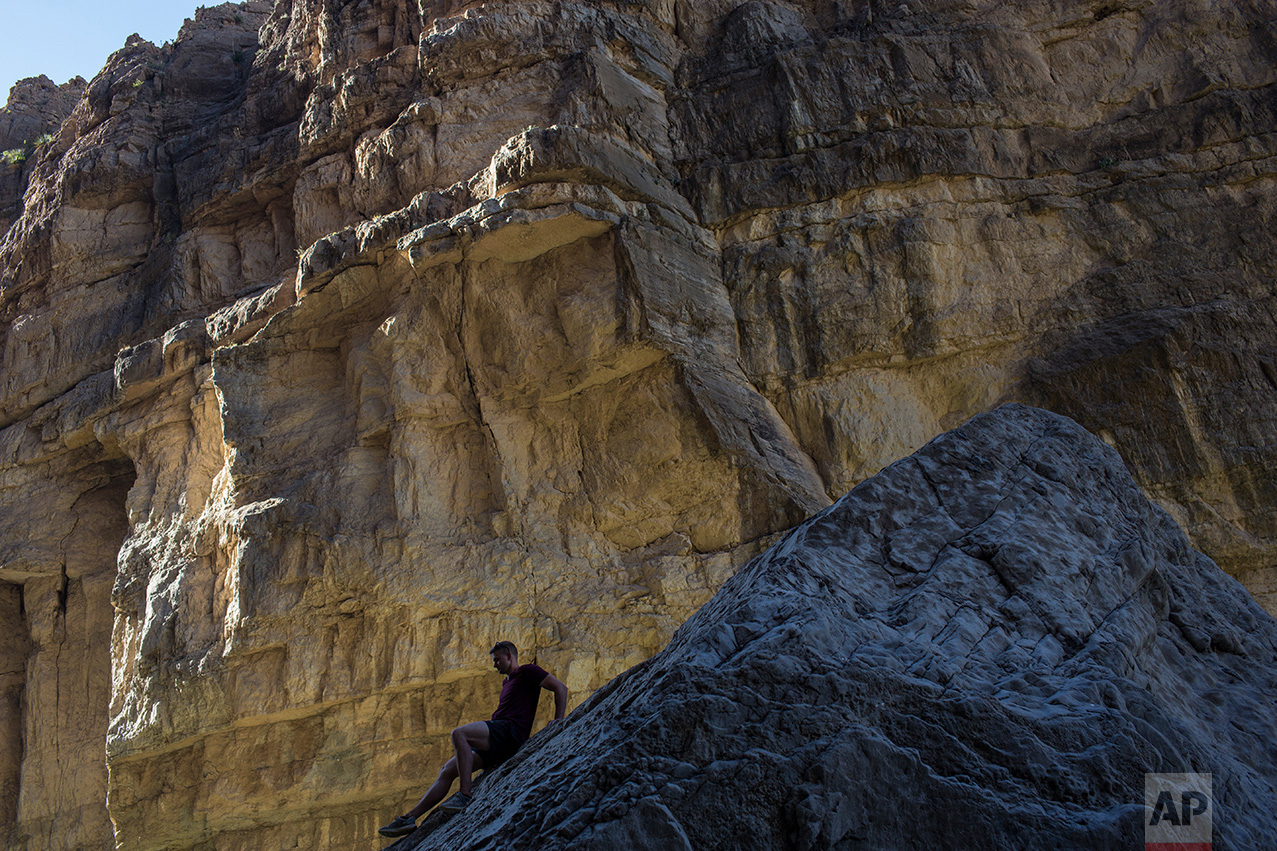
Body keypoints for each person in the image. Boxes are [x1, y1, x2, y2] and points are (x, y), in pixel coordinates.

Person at [378, 641, 568, 837]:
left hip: (509, 732)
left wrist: (559, 721)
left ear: (509, 655)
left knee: (459, 734)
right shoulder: (507, 682)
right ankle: (409, 818)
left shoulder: (529, 671)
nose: (495, 665)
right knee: (447, 770)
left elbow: (560, 688)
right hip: (498, 741)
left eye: (497, 660)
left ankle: (464, 795)